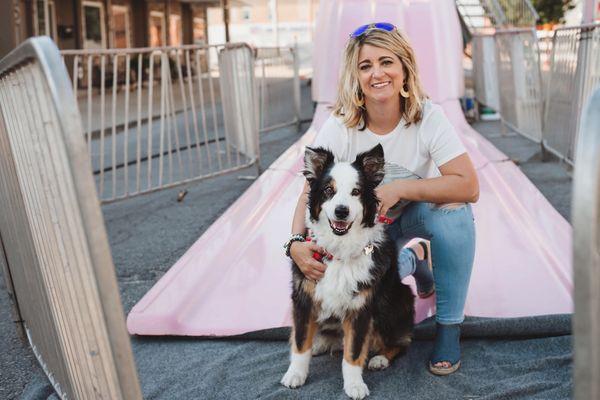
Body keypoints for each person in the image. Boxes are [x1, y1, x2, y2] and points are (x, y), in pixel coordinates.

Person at [284, 22, 478, 375]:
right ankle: (414, 261)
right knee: (358, 271)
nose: (377, 74)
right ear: (355, 77)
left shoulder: (428, 118)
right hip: (367, 234)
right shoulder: (341, 125)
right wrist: (295, 242)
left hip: (408, 217)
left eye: (386, 62)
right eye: (365, 65)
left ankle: (448, 329)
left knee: (456, 215)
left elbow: (469, 185)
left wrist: (401, 189)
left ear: (404, 68)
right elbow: (308, 193)